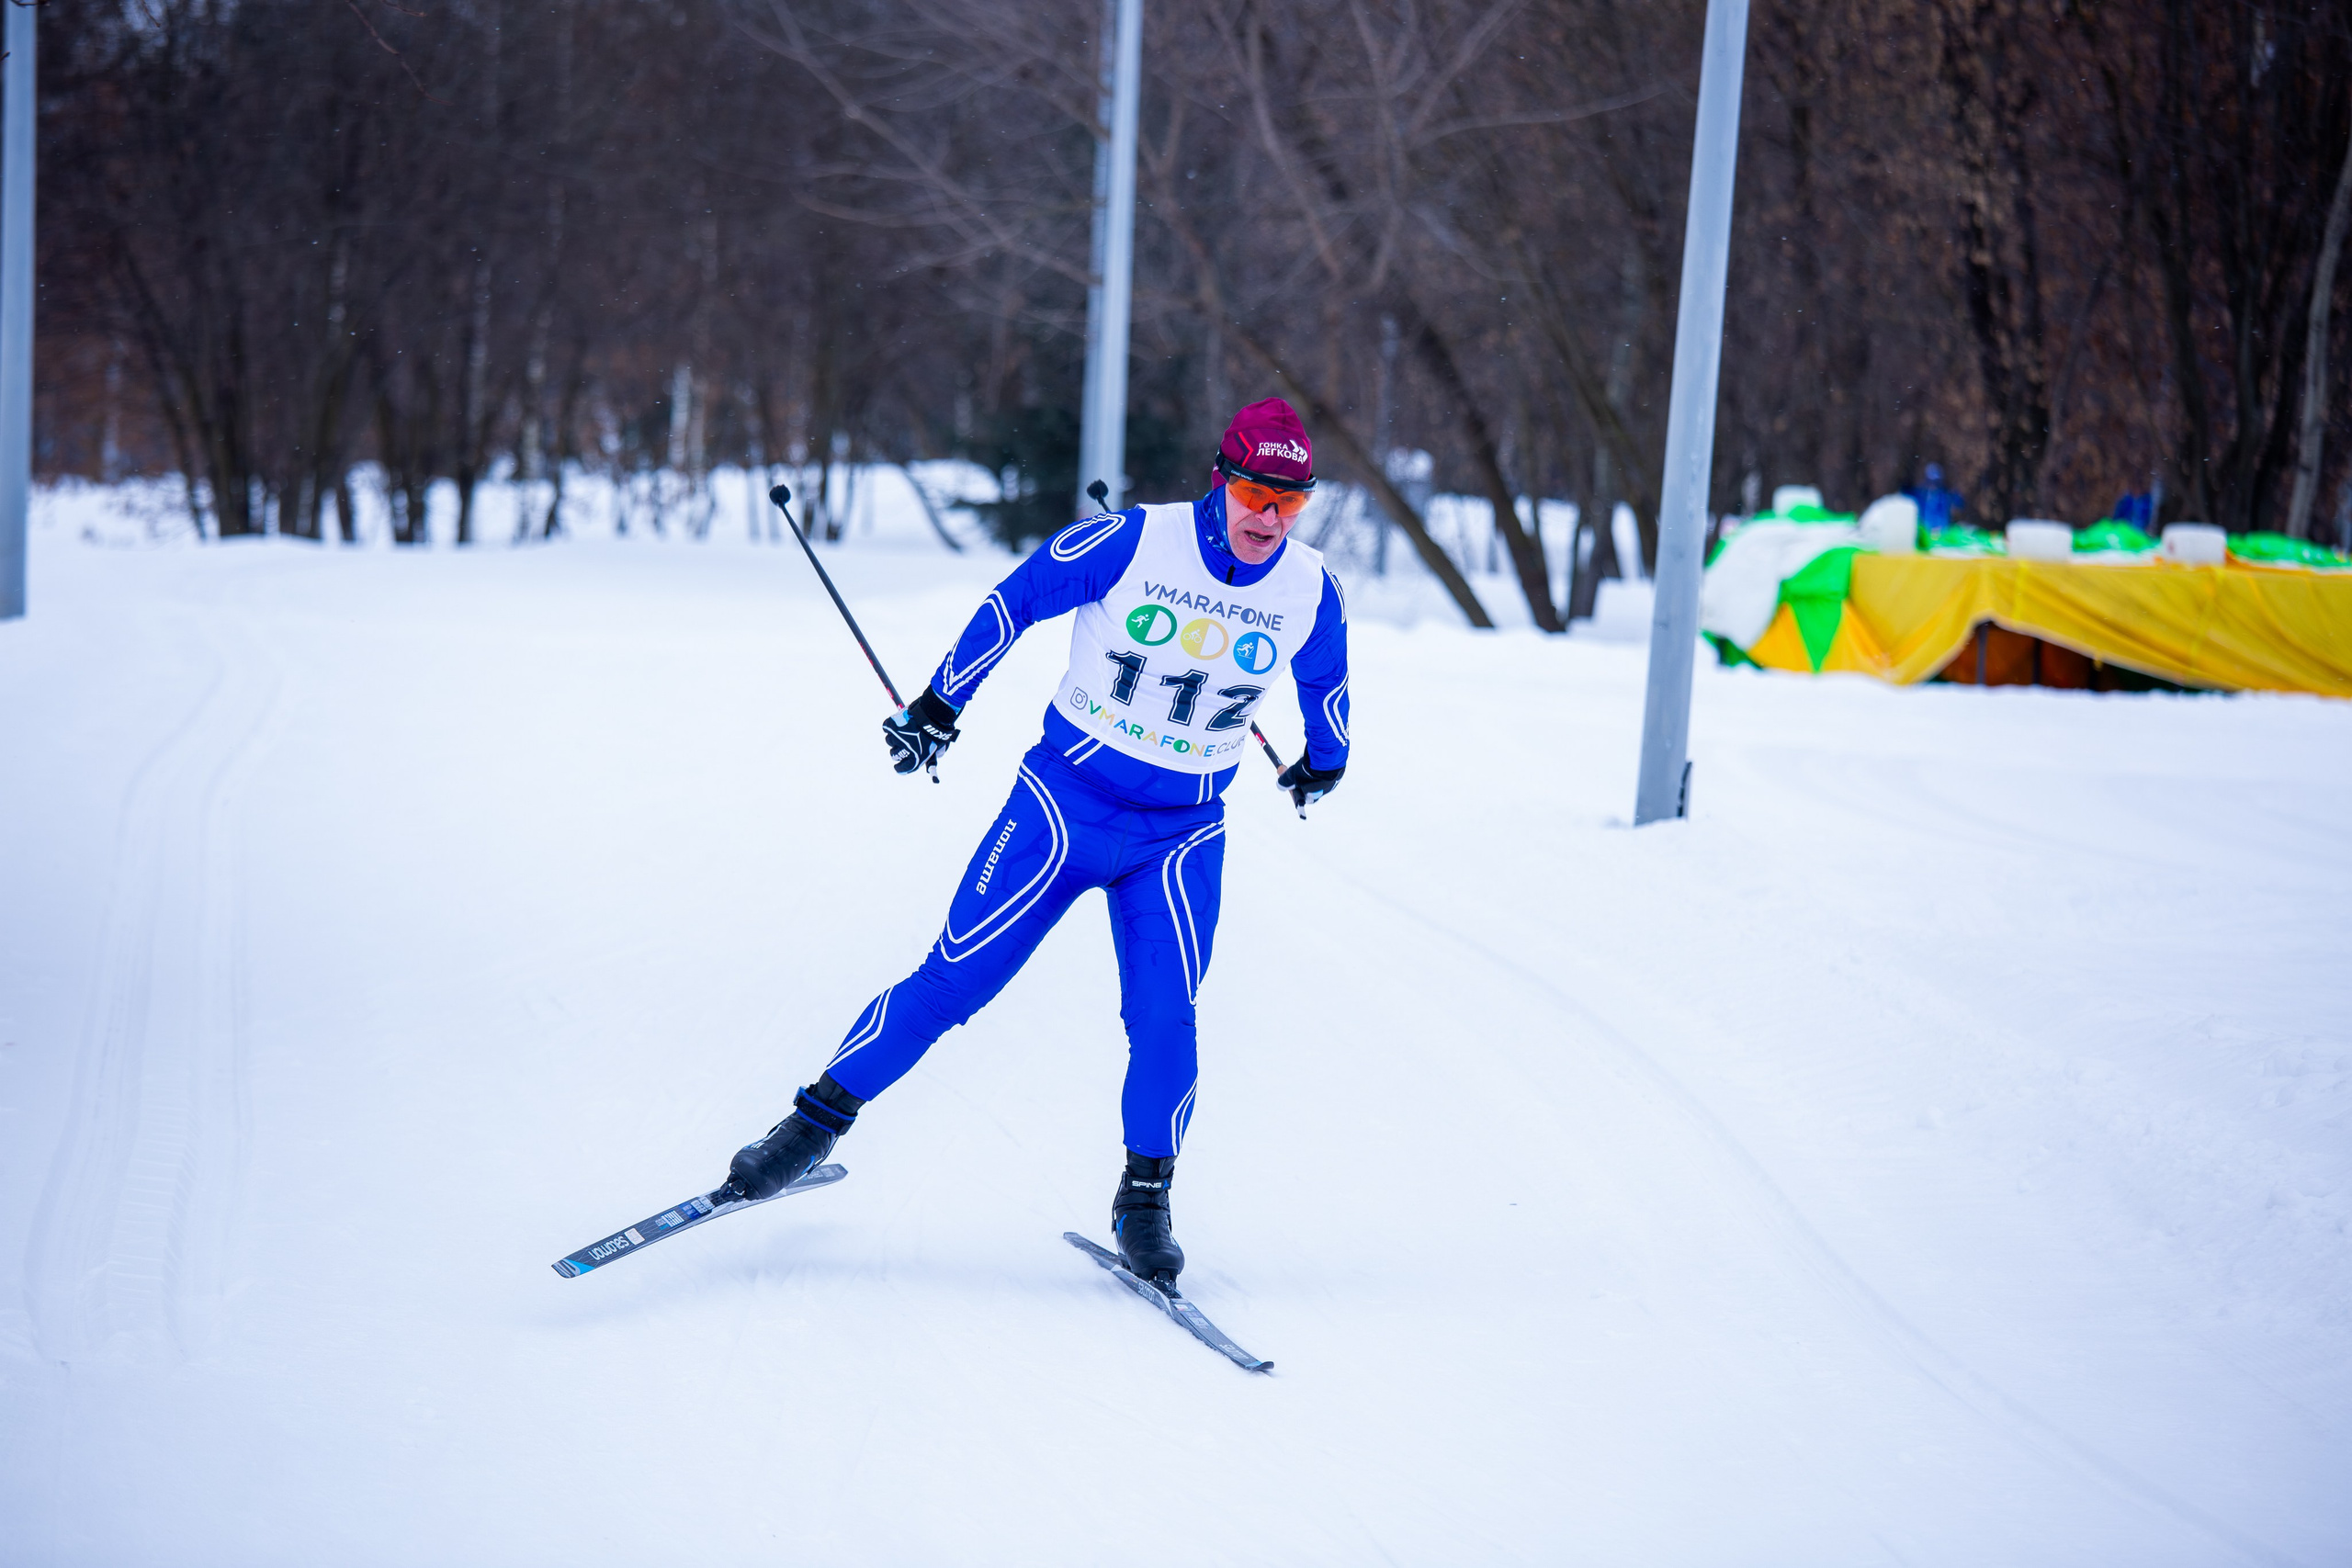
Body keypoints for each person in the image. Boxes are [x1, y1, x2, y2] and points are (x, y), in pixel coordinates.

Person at [716, 398, 1351, 1284]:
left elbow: (1328, 684)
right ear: (1221, 478)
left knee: (1166, 1017)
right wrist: (940, 706)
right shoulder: (1135, 541)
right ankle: (807, 1128)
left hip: (1180, 837)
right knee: (954, 980)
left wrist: (1326, 761)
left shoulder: (1310, 588)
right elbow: (1012, 603)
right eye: (1254, 491)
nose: (1269, 517)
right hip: (1064, 807)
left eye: (1291, 501)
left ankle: (1145, 1201)